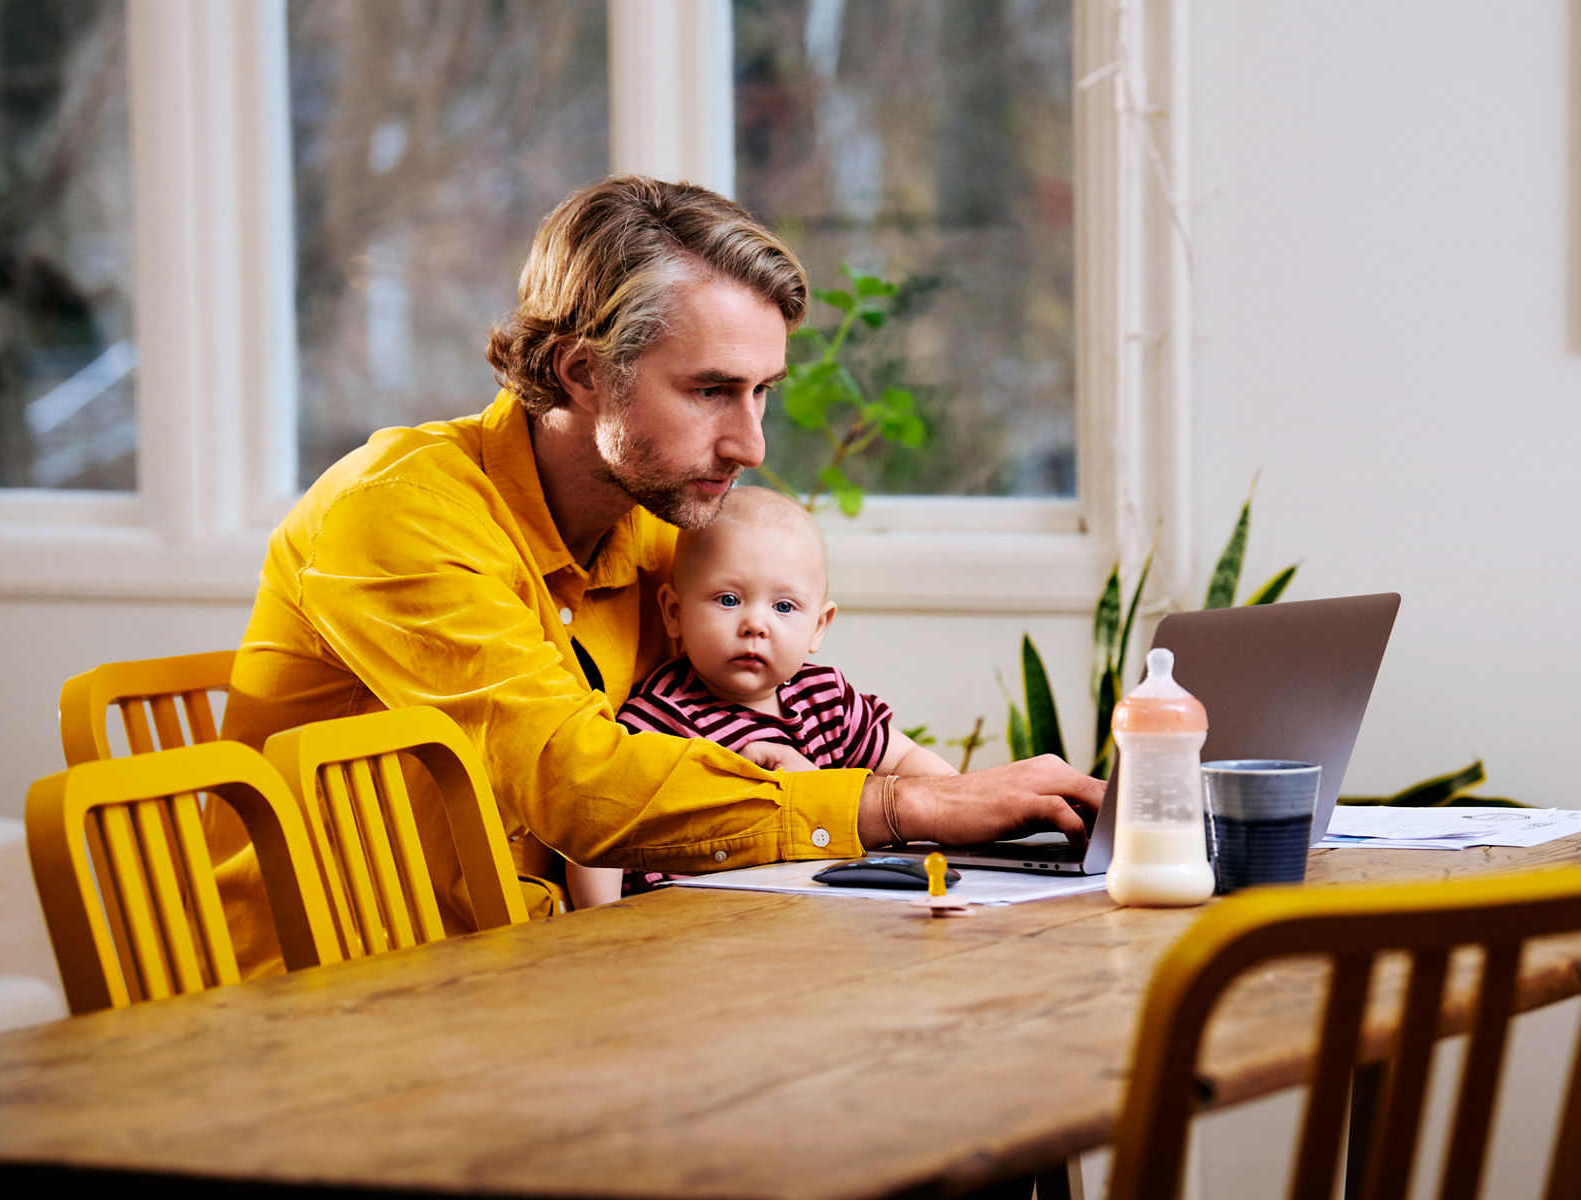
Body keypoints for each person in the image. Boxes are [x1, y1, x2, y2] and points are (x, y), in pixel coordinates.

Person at [207, 174, 1102, 976]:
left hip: (547, 970)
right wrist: (906, 807)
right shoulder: (398, 513)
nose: (751, 444)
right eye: (712, 391)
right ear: (584, 371)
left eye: (763, 394)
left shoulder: (658, 519)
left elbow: (761, 713)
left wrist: (958, 794)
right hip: (341, 999)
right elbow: (575, 783)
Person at [569, 488, 956, 907]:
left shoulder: (827, 698)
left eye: (784, 607)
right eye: (729, 600)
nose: (756, 623)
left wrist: (958, 807)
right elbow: (600, 822)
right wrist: (603, 919)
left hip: (815, 912)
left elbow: (908, 764)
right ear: (674, 613)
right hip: (691, 921)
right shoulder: (663, 718)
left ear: (819, 627)